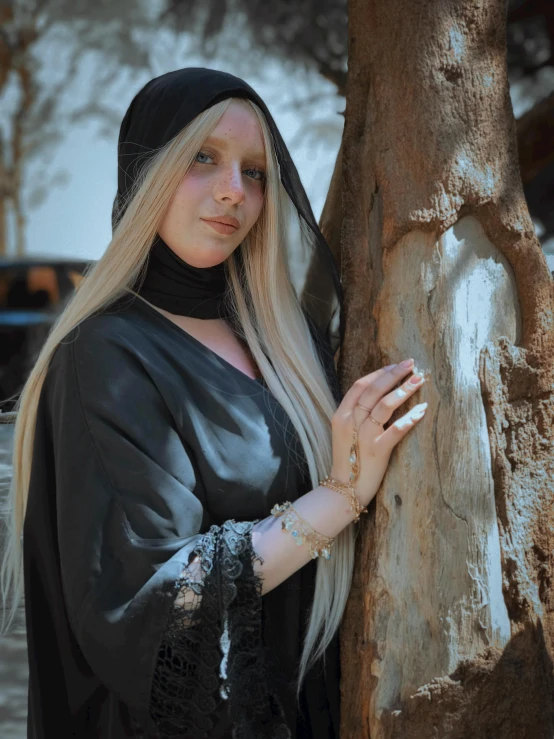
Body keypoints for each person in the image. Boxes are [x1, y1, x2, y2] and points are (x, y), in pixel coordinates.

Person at [0, 67, 428, 738]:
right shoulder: (105, 354)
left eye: (256, 172)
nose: (234, 191)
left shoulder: (287, 341)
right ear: (146, 171)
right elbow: (151, 598)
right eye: (204, 158)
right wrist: (340, 495)